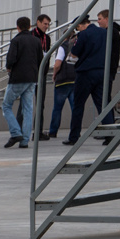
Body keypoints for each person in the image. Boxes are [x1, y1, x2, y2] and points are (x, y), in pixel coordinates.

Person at [65, 16, 109, 145]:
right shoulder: (104, 32)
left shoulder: (83, 35)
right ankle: (110, 134)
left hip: (85, 73)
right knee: (102, 105)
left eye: (77, 27)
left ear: (80, 25)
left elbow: (75, 53)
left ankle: (74, 136)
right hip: (101, 71)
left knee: (78, 105)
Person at [1, 17, 41, 148]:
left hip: (17, 78)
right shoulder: (36, 41)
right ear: (30, 26)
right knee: (28, 109)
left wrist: (9, 68)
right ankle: (24, 141)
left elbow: (11, 59)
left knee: (6, 106)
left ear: (17, 27)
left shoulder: (16, 40)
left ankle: (15, 132)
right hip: (32, 78)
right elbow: (41, 59)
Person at [47, 23, 83, 142]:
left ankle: (53, 131)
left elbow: (57, 64)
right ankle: (76, 131)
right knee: (75, 107)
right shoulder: (78, 46)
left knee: (57, 108)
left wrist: (54, 75)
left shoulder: (63, 47)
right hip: (75, 80)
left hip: (63, 81)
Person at [33, 15, 52, 140]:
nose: (46, 26)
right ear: (38, 22)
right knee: (25, 105)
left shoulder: (47, 38)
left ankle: (38, 132)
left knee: (40, 103)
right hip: (31, 73)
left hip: (42, 74)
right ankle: (18, 132)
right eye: (44, 24)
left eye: (48, 24)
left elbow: (47, 55)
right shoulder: (31, 36)